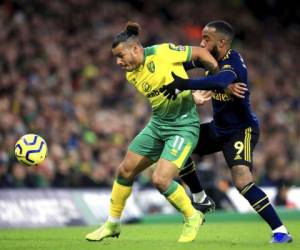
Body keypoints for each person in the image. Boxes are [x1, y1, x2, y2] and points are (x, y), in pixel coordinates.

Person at [160, 20, 292, 244]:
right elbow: (183, 66)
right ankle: (200, 198)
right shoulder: (210, 58)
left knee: (242, 182)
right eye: (201, 38)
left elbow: (221, 78)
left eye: (206, 39)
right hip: (217, 128)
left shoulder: (233, 62)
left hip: (241, 131)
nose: (201, 43)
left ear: (221, 42)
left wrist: (185, 84)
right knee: (179, 144)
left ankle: (280, 231)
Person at [85, 21, 219, 243]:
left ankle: (193, 215)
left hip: (183, 126)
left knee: (160, 179)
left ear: (136, 49)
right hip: (158, 125)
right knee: (125, 171)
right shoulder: (132, 74)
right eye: (115, 58)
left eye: (120, 55)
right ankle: (112, 224)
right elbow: (167, 88)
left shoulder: (164, 52)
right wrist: (190, 94)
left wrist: (213, 81)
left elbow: (201, 53)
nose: (118, 62)